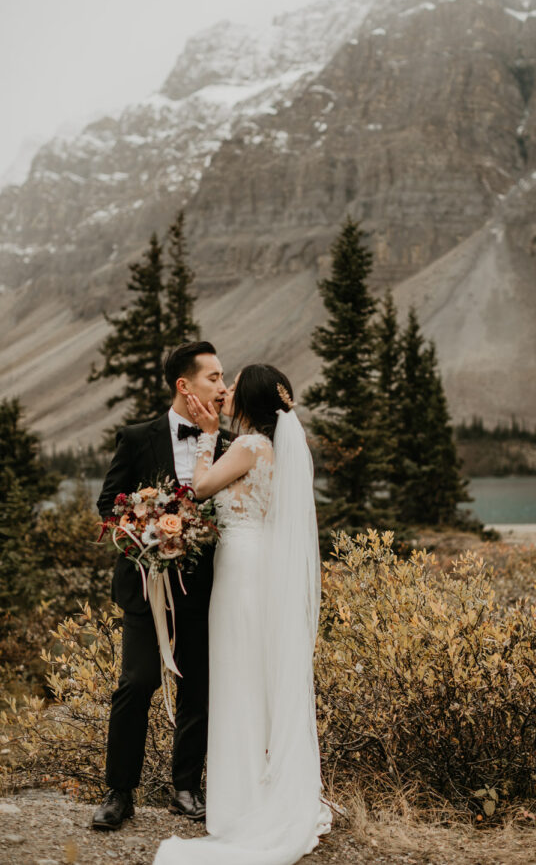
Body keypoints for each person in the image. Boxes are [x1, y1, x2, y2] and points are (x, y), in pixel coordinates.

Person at [154, 364, 332, 865]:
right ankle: (258, 790)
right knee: (254, 675)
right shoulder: (282, 452)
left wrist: (209, 435)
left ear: (249, 401)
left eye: (233, 387)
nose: (224, 392)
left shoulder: (248, 445)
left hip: (242, 571)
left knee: (236, 676)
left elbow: (202, 487)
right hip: (260, 567)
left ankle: (241, 805)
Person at [92, 341, 230, 830]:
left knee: (198, 689)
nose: (222, 386)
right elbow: (108, 505)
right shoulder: (136, 437)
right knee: (136, 682)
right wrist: (147, 529)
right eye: (213, 377)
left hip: (203, 590)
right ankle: (118, 793)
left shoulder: (228, 443)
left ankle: (186, 789)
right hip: (146, 588)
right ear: (184, 385)